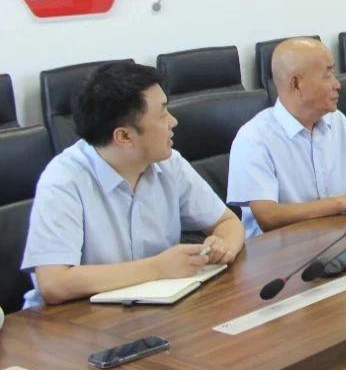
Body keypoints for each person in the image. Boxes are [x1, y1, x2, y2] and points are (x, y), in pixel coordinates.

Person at [21, 62, 244, 308]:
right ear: (124, 136)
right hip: (71, 320)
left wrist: (224, 245)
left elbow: (226, 222)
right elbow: (54, 283)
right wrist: (157, 268)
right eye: (162, 114)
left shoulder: (169, 163)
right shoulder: (64, 180)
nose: (173, 121)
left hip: (150, 309)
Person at [228, 38, 346, 237]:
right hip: (281, 250)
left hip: (339, 238)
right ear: (296, 83)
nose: (337, 84)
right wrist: (344, 203)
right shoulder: (254, 138)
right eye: (328, 75)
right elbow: (268, 216)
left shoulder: (337, 121)